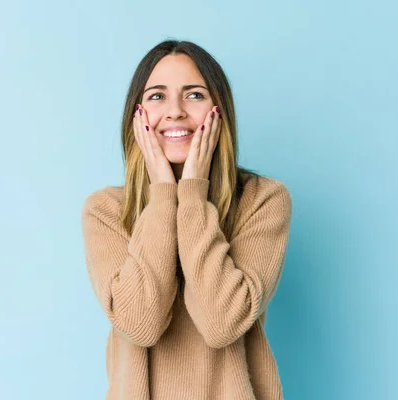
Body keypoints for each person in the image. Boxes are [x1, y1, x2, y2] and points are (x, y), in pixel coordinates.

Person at [81, 39, 293, 400]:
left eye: (194, 95)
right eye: (157, 96)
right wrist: (164, 194)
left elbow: (221, 324)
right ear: (137, 115)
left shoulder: (263, 200)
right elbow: (139, 325)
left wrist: (192, 192)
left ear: (219, 110)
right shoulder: (105, 211)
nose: (175, 111)